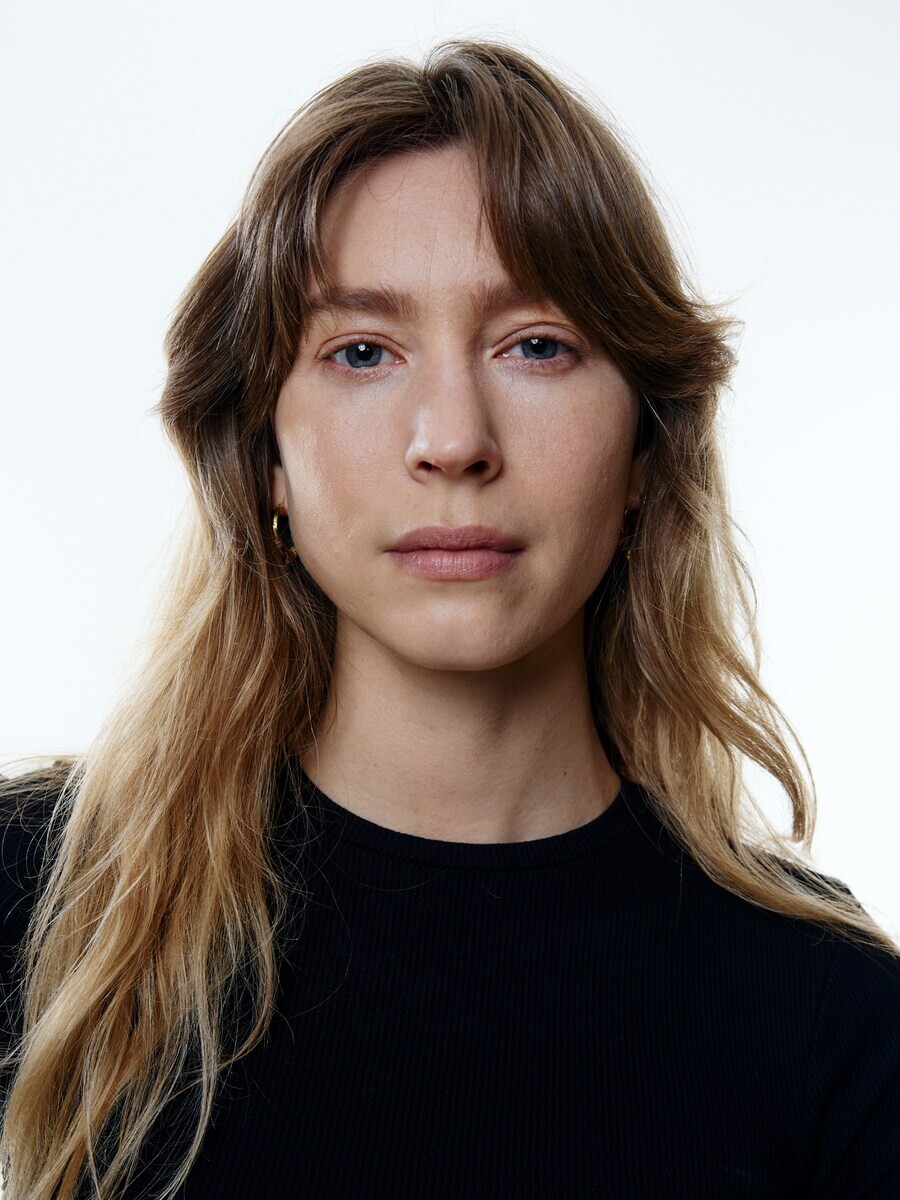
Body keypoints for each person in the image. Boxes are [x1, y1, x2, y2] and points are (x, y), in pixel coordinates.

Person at [1, 38, 898, 1200]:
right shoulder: (42, 901)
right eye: (362, 352)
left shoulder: (827, 1011)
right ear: (263, 456)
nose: (454, 441)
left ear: (645, 448)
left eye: (537, 346)